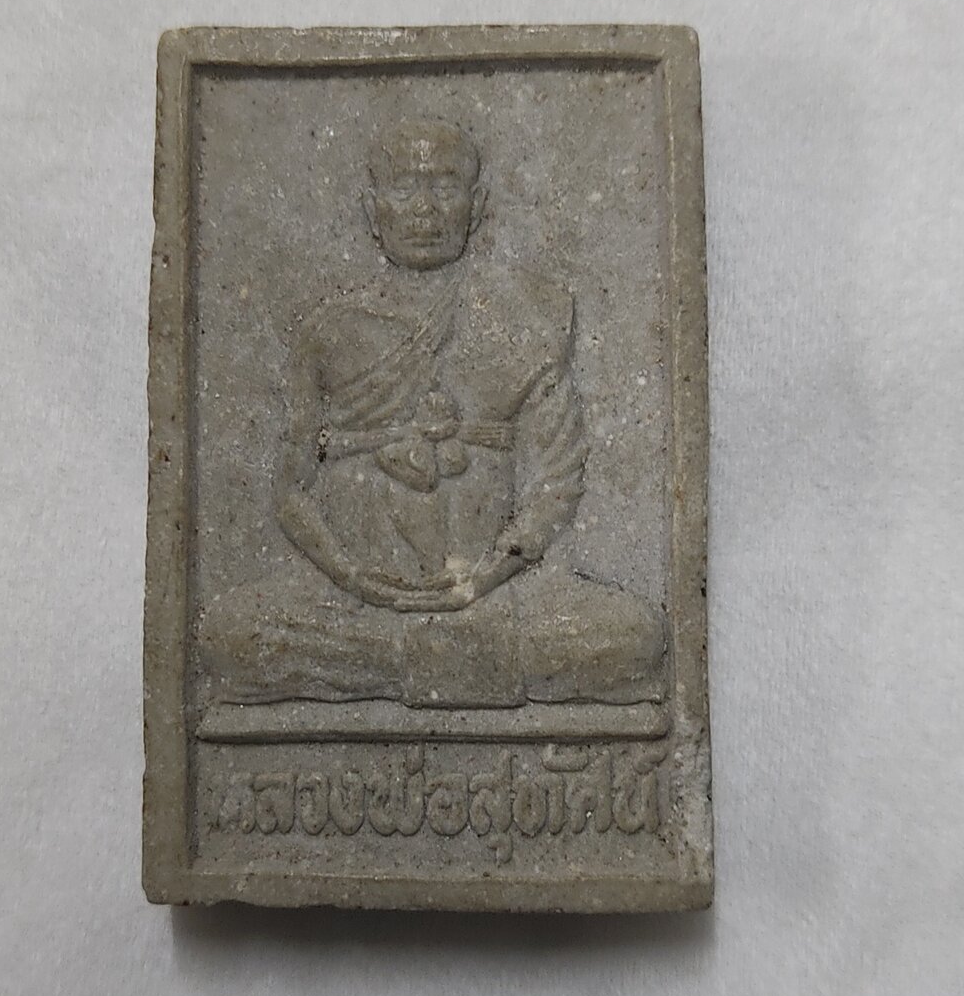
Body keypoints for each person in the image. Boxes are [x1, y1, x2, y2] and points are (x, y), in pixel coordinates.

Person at [199, 120, 666, 707]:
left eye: (445, 186)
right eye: (404, 187)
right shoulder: (329, 333)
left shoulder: (527, 320)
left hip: (497, 594)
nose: (424, 207)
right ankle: (453, 662)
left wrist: (486, 576)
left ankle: (401, 665)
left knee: (634, 636)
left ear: (477, 205)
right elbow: (292, 491)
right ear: (373, 209)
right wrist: (351, 578)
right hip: (357, 603)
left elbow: (555, 481)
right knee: (228, 635)